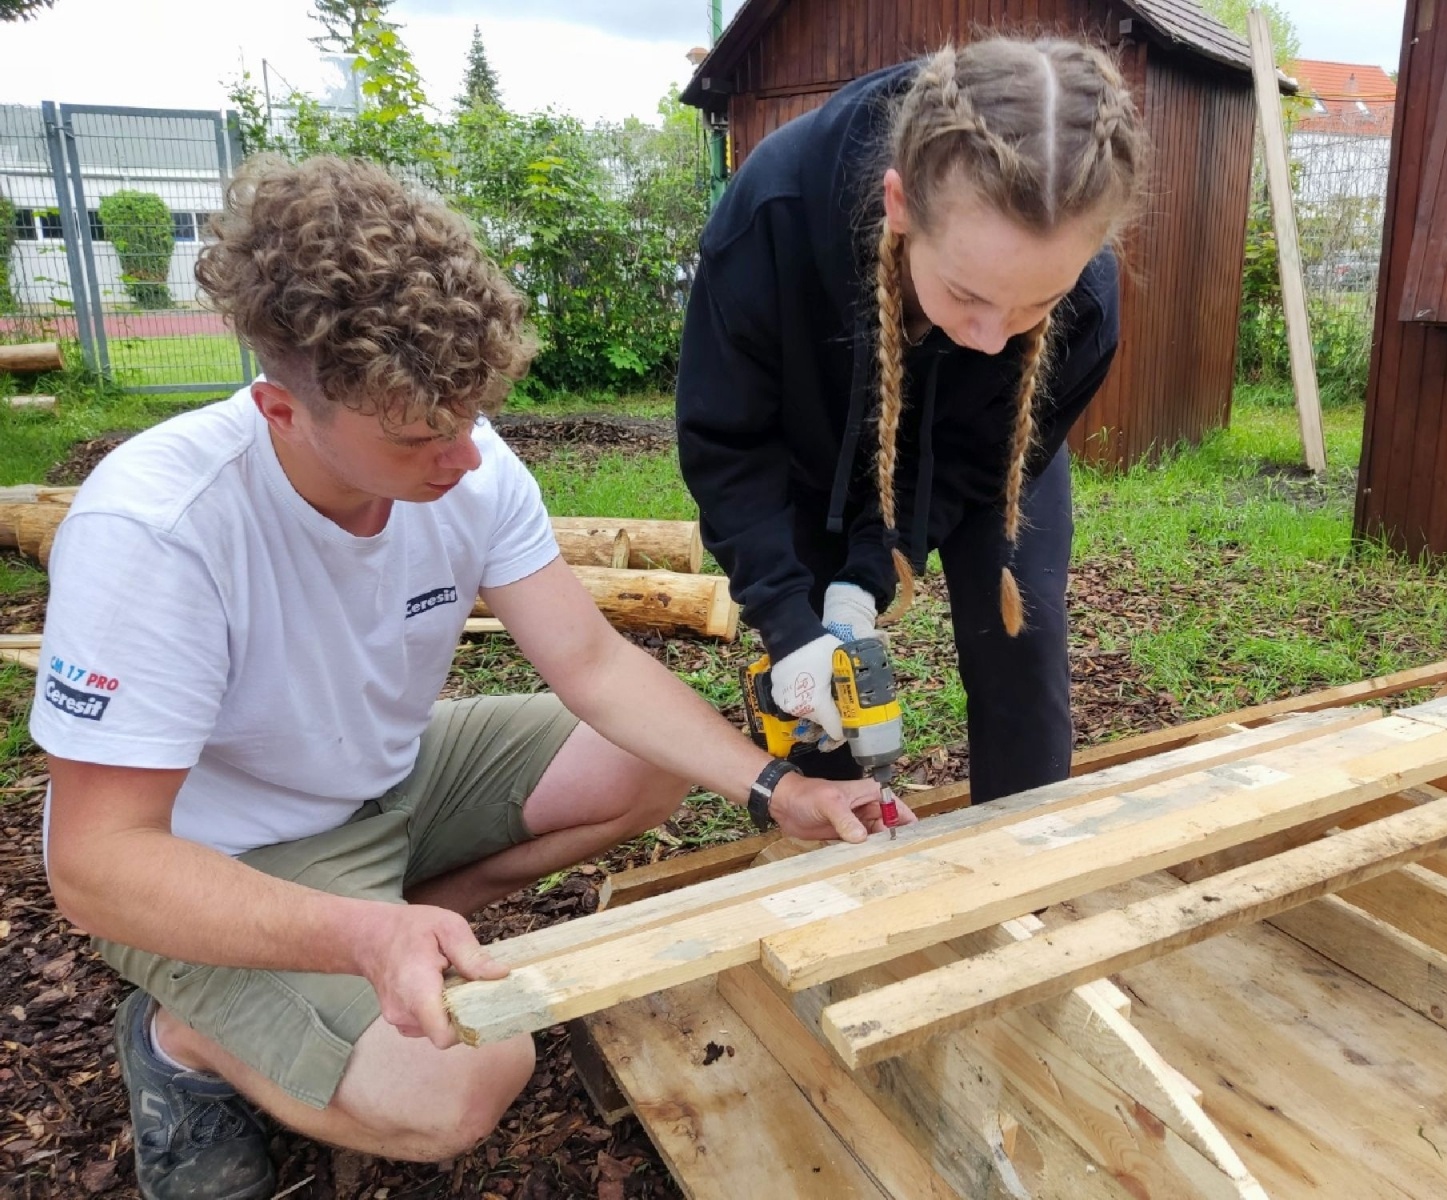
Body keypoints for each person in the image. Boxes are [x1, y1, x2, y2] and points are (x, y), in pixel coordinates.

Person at [30, 155, 895, 1200]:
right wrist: (355, 930)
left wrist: (778, 787)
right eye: (419, 437)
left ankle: (394, 932)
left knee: (652, 762)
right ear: (282, 410)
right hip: (225, 861)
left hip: (387, 781)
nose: (464, 461)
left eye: (470, 417)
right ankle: (187, 1038)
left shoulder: (464, 459)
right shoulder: (159, 530)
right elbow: (96, 866)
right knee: (466, 1079)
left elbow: (590, 662)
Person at [677, 37, 1147, 803]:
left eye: (1036, 303)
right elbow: (727, 443)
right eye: (967, 294)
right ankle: (837, 847)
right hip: (809, 457)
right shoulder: (774, 213)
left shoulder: (1087, 303)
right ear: (899, 206)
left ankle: (1024, 864)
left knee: (1020, 648)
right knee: (817, 693)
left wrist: (868, 575)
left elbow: (968, 460)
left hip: (988, 451)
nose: (994, 337)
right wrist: (791, 629)